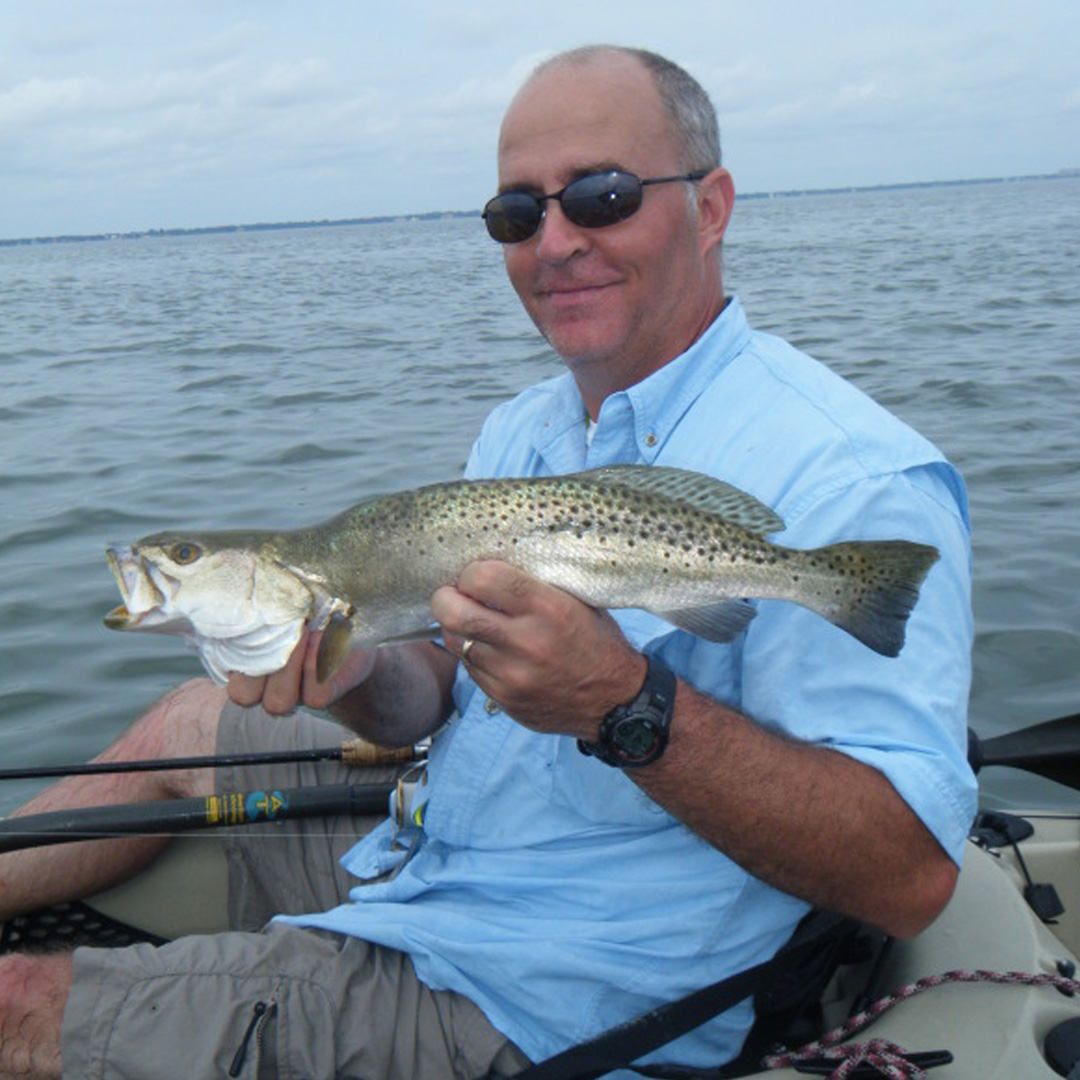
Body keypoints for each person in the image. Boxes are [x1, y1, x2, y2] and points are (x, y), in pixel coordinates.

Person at [0, 44, 977, 1079]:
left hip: (545, 992)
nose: (555, 242)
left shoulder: (851, 478)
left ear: (712, 206)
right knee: (192, 722)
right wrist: (364, 676)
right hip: (431, 863)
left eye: (600, 196)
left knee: (17, 1004)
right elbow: (445, 694)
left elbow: (909, 877)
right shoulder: (526, 432)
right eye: (517, 213)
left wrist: (624, 704)